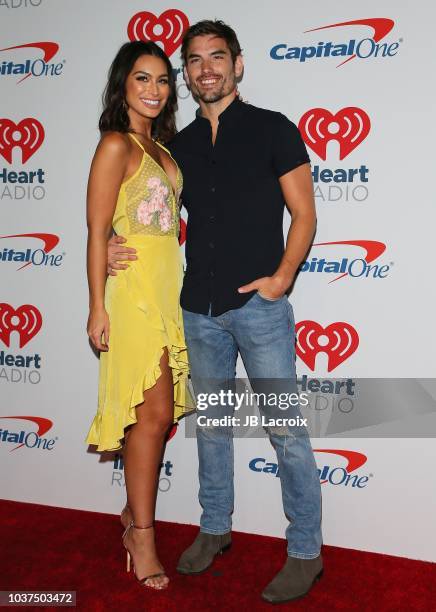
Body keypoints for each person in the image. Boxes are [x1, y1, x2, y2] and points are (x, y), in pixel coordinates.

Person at [108, 20, 322, 604]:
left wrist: (280, 280)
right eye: (195, 60)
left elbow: (304, 213)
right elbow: (136, 207)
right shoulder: (175, 148)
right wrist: (104, 244)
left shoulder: (273, 129)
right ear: (188, 72)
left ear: (238, 64)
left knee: (287, 433)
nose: (207, 68)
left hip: (257, 309)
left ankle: (306, 550)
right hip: (196, 312)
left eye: (217, 57)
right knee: (214, 431)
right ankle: (214, 529)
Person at [85, 40, 190, 590]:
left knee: (159, 416)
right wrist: (97, 305)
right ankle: (141, 535)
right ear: (123, 85)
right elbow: (96, 231)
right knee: (149, 416)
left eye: (162, 80)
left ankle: (133, 515)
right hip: (132, 297)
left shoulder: (165, 151)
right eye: (141, 79)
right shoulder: (115, 145)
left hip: (167, 292)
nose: (153, 90)